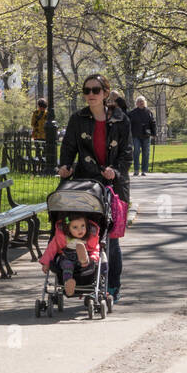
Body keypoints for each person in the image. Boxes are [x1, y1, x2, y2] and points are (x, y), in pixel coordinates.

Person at [59, 73, 130, 300]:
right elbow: (69, 146)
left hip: (113, 186)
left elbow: (127, 154)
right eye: (87, 90)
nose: (90, 95)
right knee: (86, 236)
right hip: (87, 185)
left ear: (105, 93)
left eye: (95, 90)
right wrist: (65, 166)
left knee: (110, 238)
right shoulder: (78, 119)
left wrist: (115, 170)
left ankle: (111, 287)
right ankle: (87, 282)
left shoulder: (121, 120)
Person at [39, 213, 101, 298]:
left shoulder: (90, 238)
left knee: (88, 262)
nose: (80, 230)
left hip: (83, 263)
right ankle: (68, 283)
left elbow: (95, 250)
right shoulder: (61, 238)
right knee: (67, 265)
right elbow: (51, 250)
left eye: (83, 226)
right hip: (66, 258)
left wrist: (93, 258)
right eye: (75, 227)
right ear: (68, 228)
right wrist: (46, 263)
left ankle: (84, 259)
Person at [127, 96, 156, 177]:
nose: (141, 103)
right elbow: (127, 123)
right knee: (136, 152)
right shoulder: (132, 113)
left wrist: (154, 134)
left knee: (146, 152)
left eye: (142, 101)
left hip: (146, 135)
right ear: (136, 103)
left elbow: (153, 123)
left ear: (145, 103)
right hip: (136, 135)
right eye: (139, 101)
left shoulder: (149, 112)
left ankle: (144, 170)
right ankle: (136, 170)